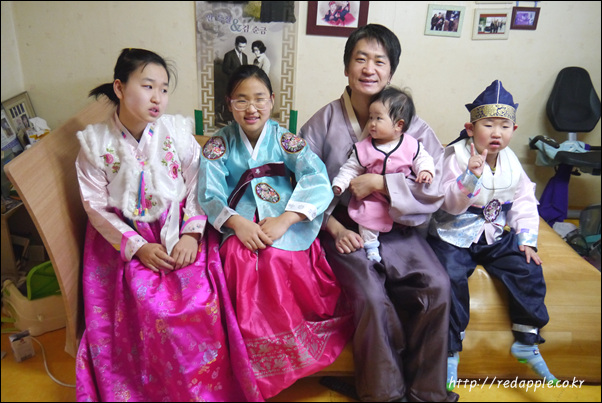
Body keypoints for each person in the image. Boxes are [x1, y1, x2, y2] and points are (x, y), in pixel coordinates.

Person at [74, 48, 262, 402]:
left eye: (163, 89)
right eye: (148, 86)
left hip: (180, 226)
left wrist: (192, 233)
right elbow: (95, 207)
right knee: (150, 307)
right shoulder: (95, 144)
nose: (157, 97)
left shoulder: (175, 130)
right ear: (119, 87)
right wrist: (138, 247)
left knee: (202, 300)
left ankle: (206, 390)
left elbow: (198, 181)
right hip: (126, 238)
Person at [299, 24, 457, 402]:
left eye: (379, 61)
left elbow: (434, 187)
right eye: (361, 59)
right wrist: (334, 227)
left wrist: (383, 184)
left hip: (399, 227)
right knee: (370, 295)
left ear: (391, 72)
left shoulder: (411, 125)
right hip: (345, 227)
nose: (369, 69)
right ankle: (384, 393)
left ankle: (427, 392)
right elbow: (299, 187)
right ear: (346, 67)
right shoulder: (322, 123)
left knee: (437, 285)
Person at [197, 64, 353, 400]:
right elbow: (208, 193)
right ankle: (254, 359)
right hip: (239, 223)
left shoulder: (285, 139)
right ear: (229, 103)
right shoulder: (218, 144)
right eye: (241, 100)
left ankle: (291, 351)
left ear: (271, 100)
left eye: (259, 98)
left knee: (280, 258)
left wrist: (287, 219)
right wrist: (237, 224)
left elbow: (316, 178)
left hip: (284, 218)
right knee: (239, 260)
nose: (251, 108)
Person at [426, 80, 558, 391]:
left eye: (504, 126)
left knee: (528, 267)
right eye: (488, 125)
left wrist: (526, 239)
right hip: (453, 233)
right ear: (470, 128)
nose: (496, 132)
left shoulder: (511, 162)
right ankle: (450, 351)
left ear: (514, 129)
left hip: (494, 233)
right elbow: (448, 203)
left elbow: (524, 201)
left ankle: (526, 340)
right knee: (449, 277)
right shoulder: (455, 156)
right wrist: (470, 176)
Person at [331, 86, 435, 263]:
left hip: (398, 198)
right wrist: (340, 183)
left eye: (378, 118)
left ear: (399, 125)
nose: (371, 123)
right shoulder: (364, 147)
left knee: (407, 218)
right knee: (367, 217)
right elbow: (350, 168)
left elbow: (423, 159)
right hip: (372, 197)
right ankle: (370, 246)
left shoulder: (411, 145)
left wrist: (425, 171)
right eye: (370, 117)